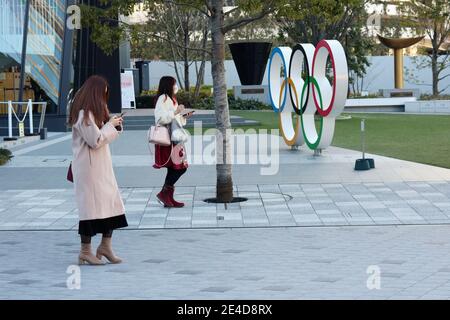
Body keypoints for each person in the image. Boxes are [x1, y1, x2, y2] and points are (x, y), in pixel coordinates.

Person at [68, 75, 128, 265]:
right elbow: (95, 140)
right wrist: (110, 126)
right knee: (90, 211)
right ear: (95, 93)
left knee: (110, 206)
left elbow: (101, 136)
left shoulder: (91, 113)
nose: (105, 96)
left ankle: (105, 246)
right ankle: (85, 251)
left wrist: (112, 124)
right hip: (89, 170)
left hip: (100, 169)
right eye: (103, 93)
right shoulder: (83, 115)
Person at [153, 76, 193, 207]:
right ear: (169, 85)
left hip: (175, 138)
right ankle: (165, 194)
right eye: (174, 84)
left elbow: (175, 119)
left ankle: (167, 196)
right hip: (168, 139)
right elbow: (160, 119)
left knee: (176, 167)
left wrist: (182, 116)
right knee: (178, 167)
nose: (176, 87)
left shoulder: (172, 99)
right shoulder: (163, 99)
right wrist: (176, 111)